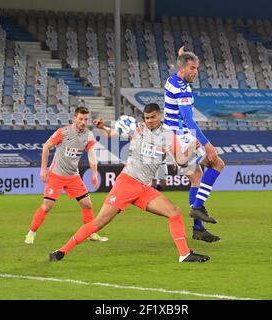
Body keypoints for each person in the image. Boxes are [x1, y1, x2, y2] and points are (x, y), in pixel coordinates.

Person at [49, 103, 210, 263]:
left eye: (152, 117)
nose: (149, 121)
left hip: (143, 188)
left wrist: (190, 150)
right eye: (146, 118)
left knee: (174, 211)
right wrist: (103, 128)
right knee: (99, 222)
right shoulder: (138, 128)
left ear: (159, 116)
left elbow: (181, 161)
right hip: (127, 183)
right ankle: (61, 251)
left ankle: (184, 254)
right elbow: (114, 134)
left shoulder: (168, 136)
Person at [163, 46, 225, 242]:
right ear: (183, 69)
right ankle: (197, 208)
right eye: (192, 68)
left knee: (196, 178)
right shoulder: (183, 90)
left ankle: (198, 229)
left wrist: (182, 56)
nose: (195, 72)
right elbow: (189, 121)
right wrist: (207, 144)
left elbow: (180, 66)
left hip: (171, 135)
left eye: (197, 68)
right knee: (217, 164)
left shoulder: (172, 79)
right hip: (180, 137)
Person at [24, 106, 108, 244]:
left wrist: (94, 173)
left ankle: (91, 234)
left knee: (87, 204)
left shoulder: (88, 135)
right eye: (80, 119)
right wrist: (43, 169)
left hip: (73, 176)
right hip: (56, 175)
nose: (83, 122)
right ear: (74, 118)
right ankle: (31, 233)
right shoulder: (63, 132)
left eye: (86, 119)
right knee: (47, 206)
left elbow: (92, 155)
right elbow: (46, 146)